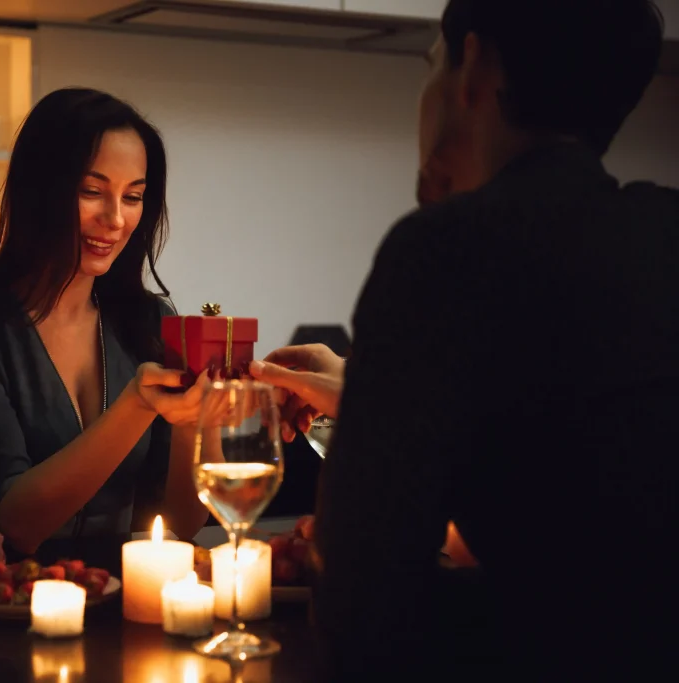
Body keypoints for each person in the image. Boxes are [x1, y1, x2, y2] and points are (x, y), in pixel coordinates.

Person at [252, 0, 677, 678]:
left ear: (473, 67)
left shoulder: (442, 252)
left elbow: (359, 597)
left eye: (431, 65)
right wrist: (361, 390)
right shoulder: (661, 229)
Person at [0, 88, 210, 565]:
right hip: (4, 606)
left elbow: (182, 520)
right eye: (91, 192)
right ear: (40, 190)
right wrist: (136, 404)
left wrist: (202, 420)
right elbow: (17, 522)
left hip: (119, 602)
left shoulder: (149, 321)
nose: (115, 219)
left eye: (133, 197)